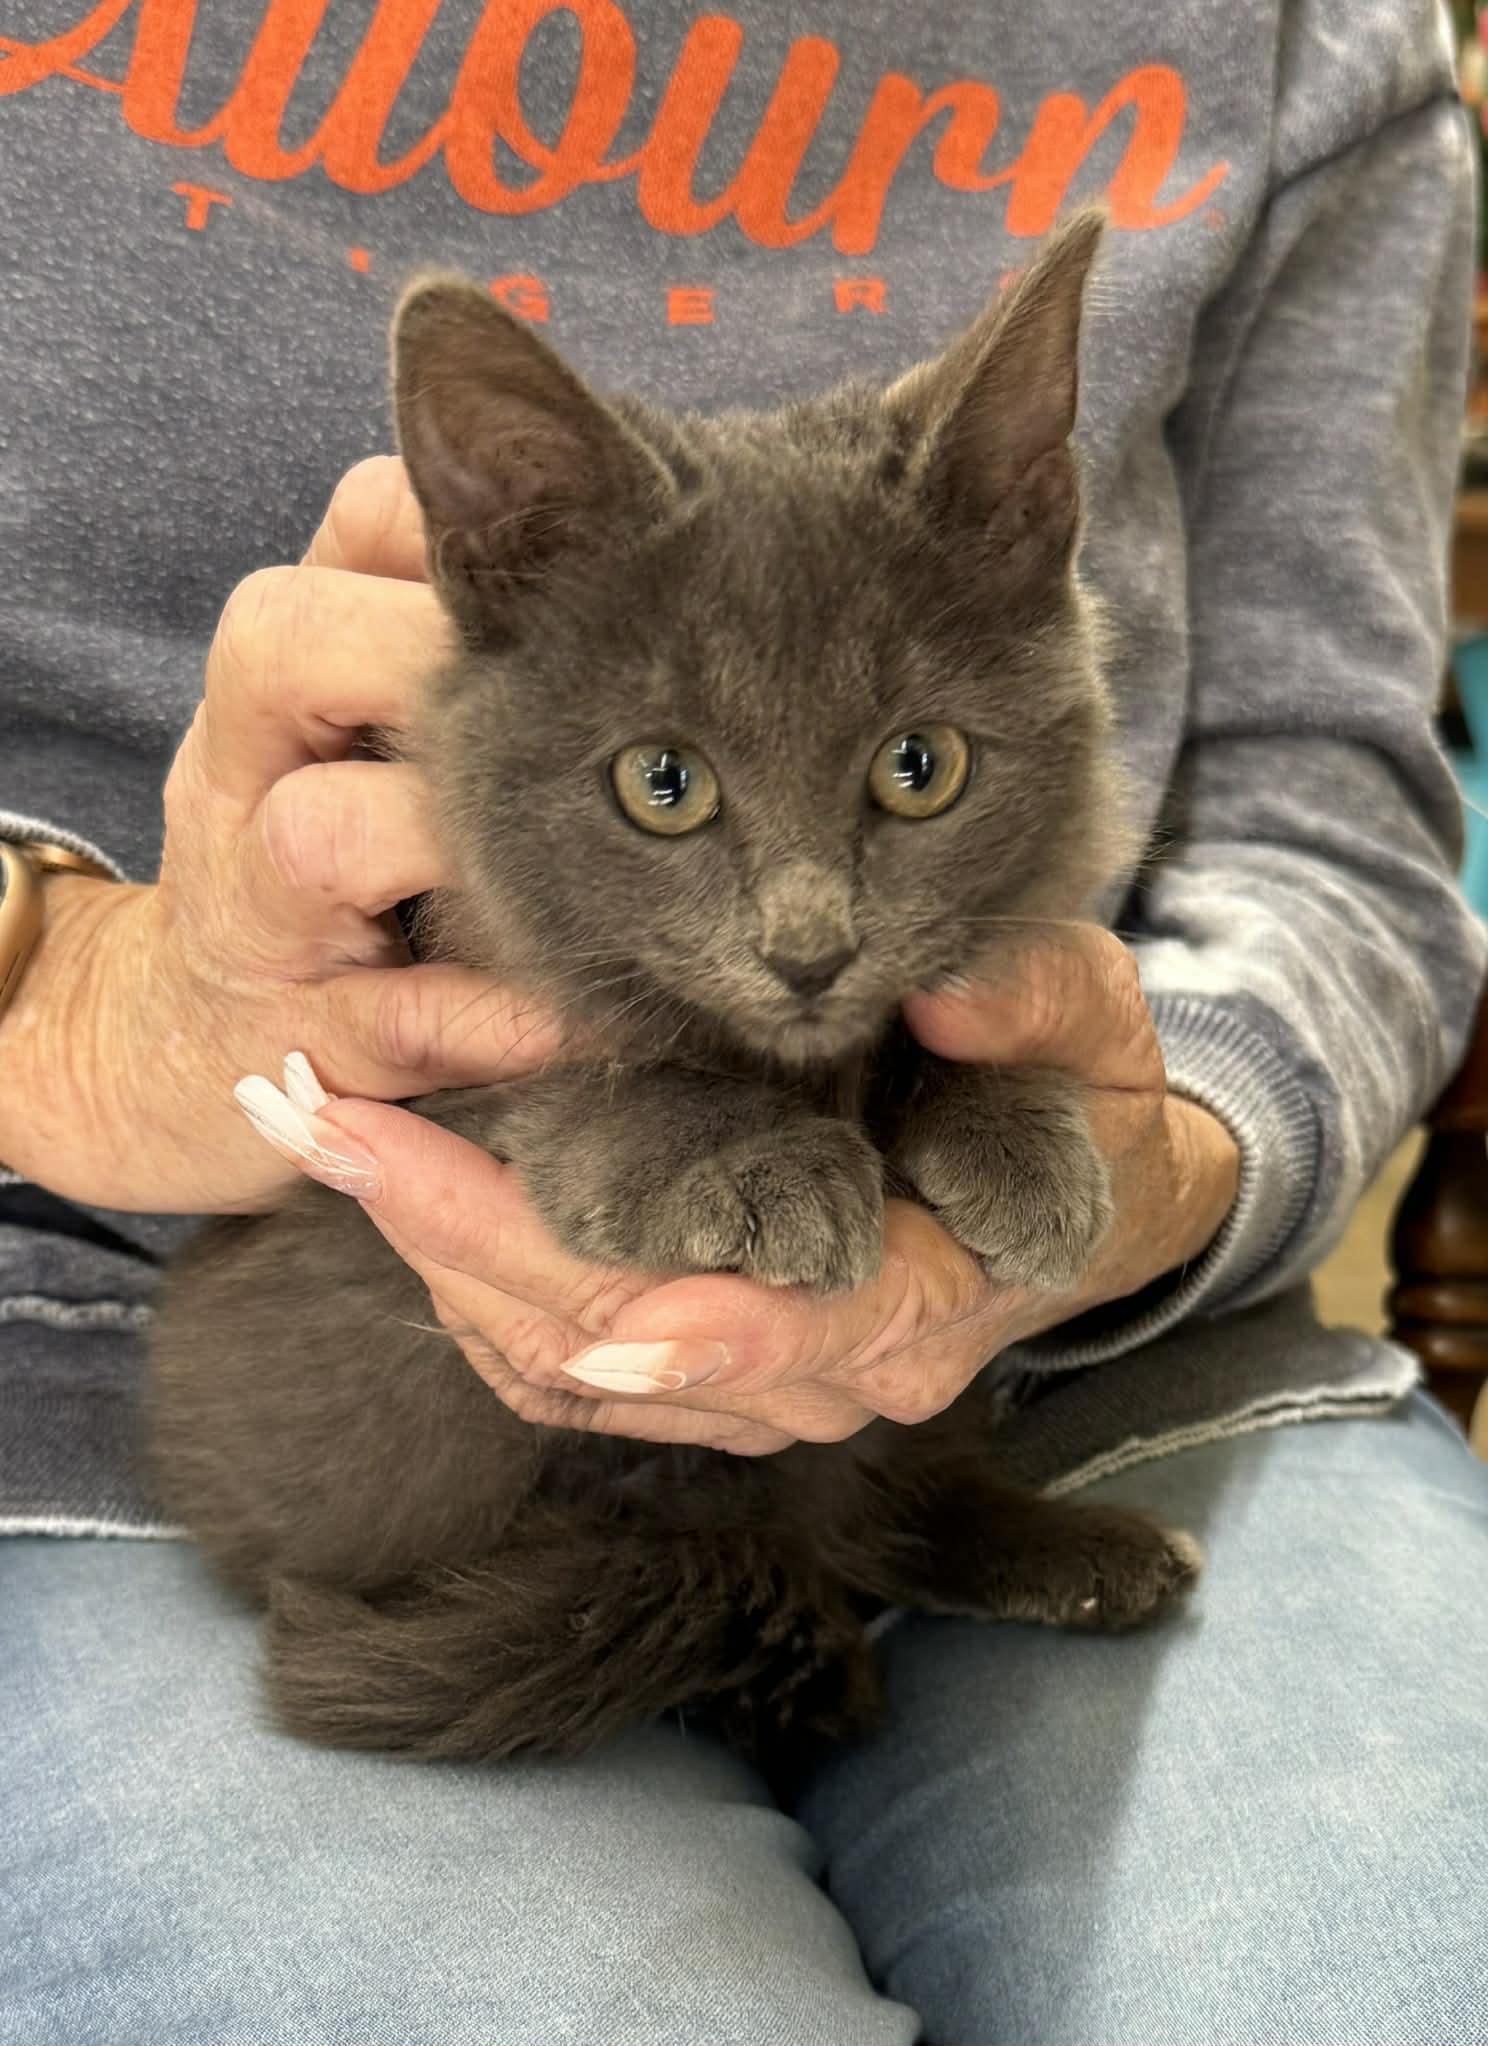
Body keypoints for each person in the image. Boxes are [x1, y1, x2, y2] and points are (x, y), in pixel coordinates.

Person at [3, 2, 1487, 2040]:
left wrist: (1170, 1142)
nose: (802, 927)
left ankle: (861, 1534)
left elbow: (1335, 809)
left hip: (1079, 1360)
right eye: (676, 794)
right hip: (151, 1349)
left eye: (903, 783)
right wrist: (48, 989)